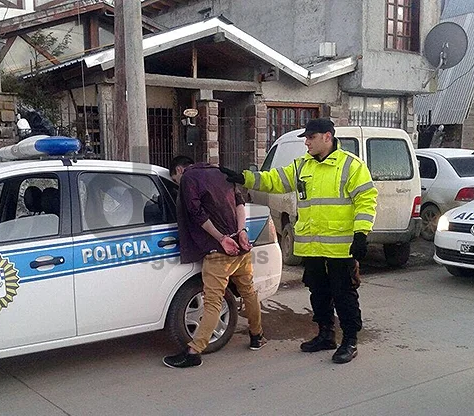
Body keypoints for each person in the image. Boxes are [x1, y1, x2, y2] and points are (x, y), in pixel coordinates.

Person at [220, 118, 378, 364]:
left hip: (341, 247)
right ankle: (326, 335)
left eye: (311, 137)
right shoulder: (302, 166)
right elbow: (274, 180)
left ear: (327, 136)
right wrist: (244, 178)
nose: (306, 142)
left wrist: (361, 233)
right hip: (312, 245)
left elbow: (366, 200)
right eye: (306, 138)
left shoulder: (351, 166)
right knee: (318, 292)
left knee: (344, 294)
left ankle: (350, 340)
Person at [162, 156, 266, 369]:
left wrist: (221, 238)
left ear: (180, 170)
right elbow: (239, 202)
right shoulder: (220, 171)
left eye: (175, 180)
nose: (178, 185)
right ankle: (257, 336)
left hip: (219, 251)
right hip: (240, 247)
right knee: (248, 292)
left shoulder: (190, 177)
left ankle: (194, 351)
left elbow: (196, 213)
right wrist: (241, 232)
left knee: (212, 302)